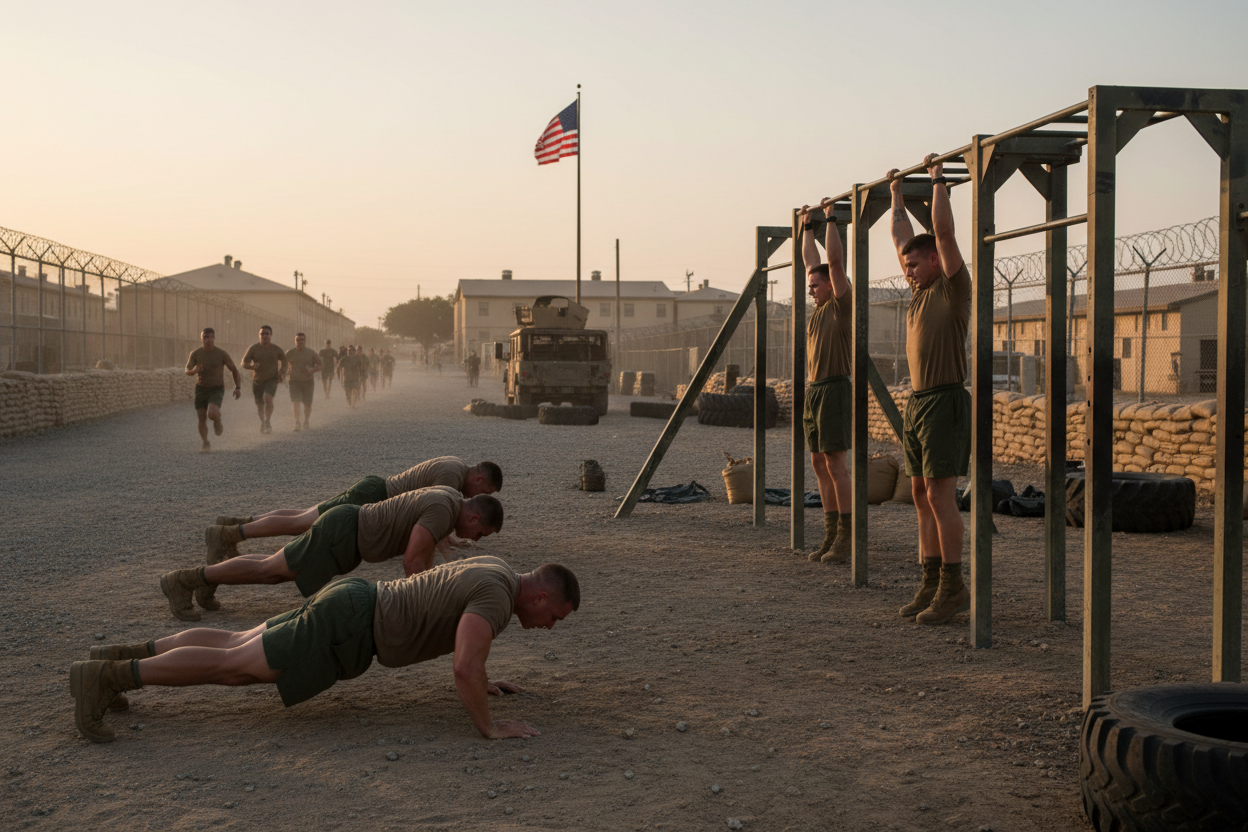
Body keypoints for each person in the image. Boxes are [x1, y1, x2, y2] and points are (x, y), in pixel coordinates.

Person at [71, 557, 578, 744]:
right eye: (553, 617)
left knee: (233, 644)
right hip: (351, 622)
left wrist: (481, 682)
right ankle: (112, 678)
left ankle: (113, 660)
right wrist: (490, 725)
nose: (548, 627)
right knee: (234, 669)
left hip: (354, 603)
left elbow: (465, 652)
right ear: (539, 596)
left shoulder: (498, 570)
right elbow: (464, 665)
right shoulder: (496, 598)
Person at [162, 486, 503, 619]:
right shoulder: (444, 511)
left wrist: (431, 587)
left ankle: (203, 581)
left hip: (347, 534)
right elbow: (413, 561)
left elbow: (423, 558)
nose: (476, 538)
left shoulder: (447, 500)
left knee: (272, 569)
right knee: (271, 571)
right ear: (473, 516)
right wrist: (430, 603)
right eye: (480, 532)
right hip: (343, 534)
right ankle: (186, 580)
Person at [889, 154, 972, 625]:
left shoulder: (952, 289)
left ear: (937, 261)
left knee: (941, 496)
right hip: (918, 403)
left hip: (943, 400)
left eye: (916, 265)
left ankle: (953, 586)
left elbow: (943, 234)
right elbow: (903, 236)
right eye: (906, 267)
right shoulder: (919, 293)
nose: (909, 272)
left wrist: (938, 179)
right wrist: (898, 194)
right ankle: (929, 579)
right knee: (919, 493)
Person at [204, 457, 504, 569]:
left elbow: (437, 521)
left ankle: (238, 525)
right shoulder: (451, 479)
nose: (479, 497)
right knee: (301, 523)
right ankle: (229, 535)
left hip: (374, 492)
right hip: (373, 497)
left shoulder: (456, 467)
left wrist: (449, 542)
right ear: (479, 479)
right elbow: (435, 518)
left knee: (302, 515)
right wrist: (447, 553)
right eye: (485, 492)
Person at [799, 202, 854, 564]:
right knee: (818, 463)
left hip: (834, 387)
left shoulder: (840, 303)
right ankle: (830, 531)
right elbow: (810, 261)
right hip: (814, 390)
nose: (812, 290)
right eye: (810, 287)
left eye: (815, 286)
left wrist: (831, 218)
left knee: (835, 463)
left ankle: (847, 536)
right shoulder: (818, 311)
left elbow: (832, 264)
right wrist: (807, 226)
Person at [184, 328, 242, 453]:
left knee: (212, 414)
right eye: (205, 337)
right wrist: (194, 371)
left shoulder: (221, 354)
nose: (207, 340)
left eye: (210, 337)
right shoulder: (196, 354)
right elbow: (187, 370)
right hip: (201, 388)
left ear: (214, 338)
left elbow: (234, 370)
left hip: (216, 388)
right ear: (201, 338)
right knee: (201, 417)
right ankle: (205, 443)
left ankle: (217, 419)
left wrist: (238, 387)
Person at [241, 325, 287, 434]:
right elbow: (243, 363)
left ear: (271, 335)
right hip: (257, 380)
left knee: (268, 398)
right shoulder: (253, 348)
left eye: (267, 334)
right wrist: (252, 366)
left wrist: (281, 372)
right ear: (259, 335)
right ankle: (263, 422)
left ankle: (268, 421)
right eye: (262, 334)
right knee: (260, 405)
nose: (264, 336)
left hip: (272, 379)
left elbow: (285, 361)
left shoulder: (276, 349)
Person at [285, 333, 322, 432]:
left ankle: (306, 421)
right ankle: (297, 422)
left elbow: (321, 365)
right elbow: (283, 364)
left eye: (302, 340)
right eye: (298, 340)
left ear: (305, 341)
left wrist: (312, 370)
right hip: (294, 381)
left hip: (308, 381)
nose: (300, 342)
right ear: (295, 341)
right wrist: (282, 374)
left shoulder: (311, 353)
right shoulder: (290, 352)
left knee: (307, 403)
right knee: (295, 401)